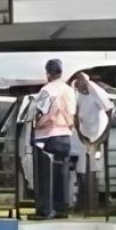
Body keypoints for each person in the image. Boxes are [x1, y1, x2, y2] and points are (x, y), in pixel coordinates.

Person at [30, 59, 78, 219]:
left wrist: (35, 122)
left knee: (45, 175)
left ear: (48, 73)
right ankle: (61, 208)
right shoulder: (69, 90)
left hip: (47, 136)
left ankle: (46, 209)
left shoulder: (47, 90)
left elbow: (39, 113)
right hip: (65, 136)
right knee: (62, 174)